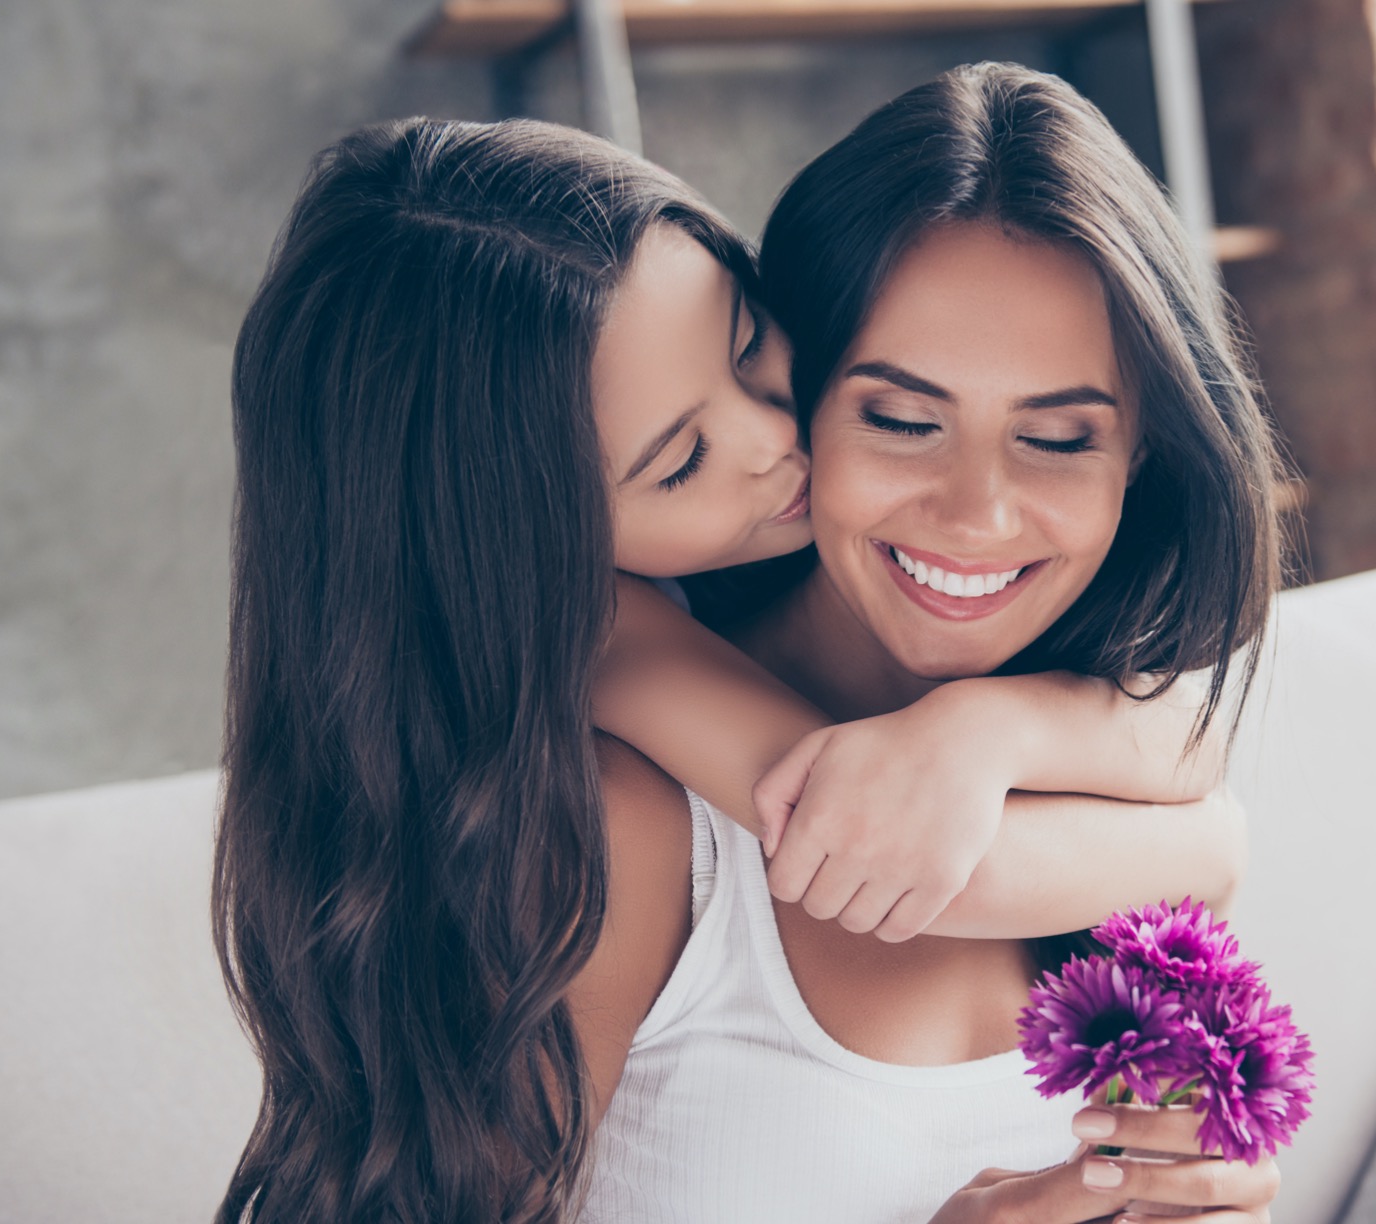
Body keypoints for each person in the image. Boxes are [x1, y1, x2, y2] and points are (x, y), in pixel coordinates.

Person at [214, 104, 1271, 1222]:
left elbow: (1140, 814)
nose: (781, 439)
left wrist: (1004, 736)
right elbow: (887, 845)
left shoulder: (1090, 737)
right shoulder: (605, 783)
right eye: (679, 464)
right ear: (530, 548)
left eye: (753, 350)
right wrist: (1199, 839)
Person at [576, 63, 1288, 1222]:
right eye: (903, 420)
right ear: (796, 395)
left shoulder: (1115, 789)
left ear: (1142, 459)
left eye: (1059, 439)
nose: (977, 516)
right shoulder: (627, 809)